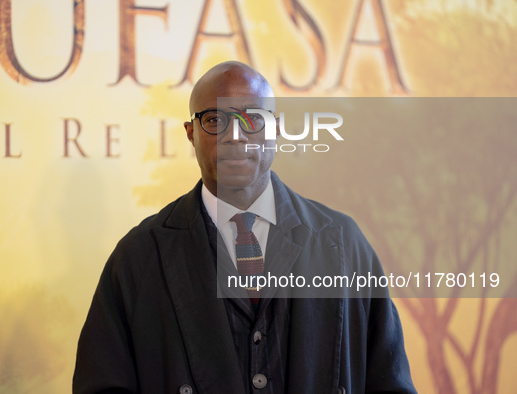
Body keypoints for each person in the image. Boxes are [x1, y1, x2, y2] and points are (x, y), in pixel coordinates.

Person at [73, 61, 417, 394]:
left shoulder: (343, 242)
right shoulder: (138, 258)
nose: (235, 136)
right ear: (191, 134)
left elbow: (389, 383)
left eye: (252, 119)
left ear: (277, 129)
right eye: (215, 120)